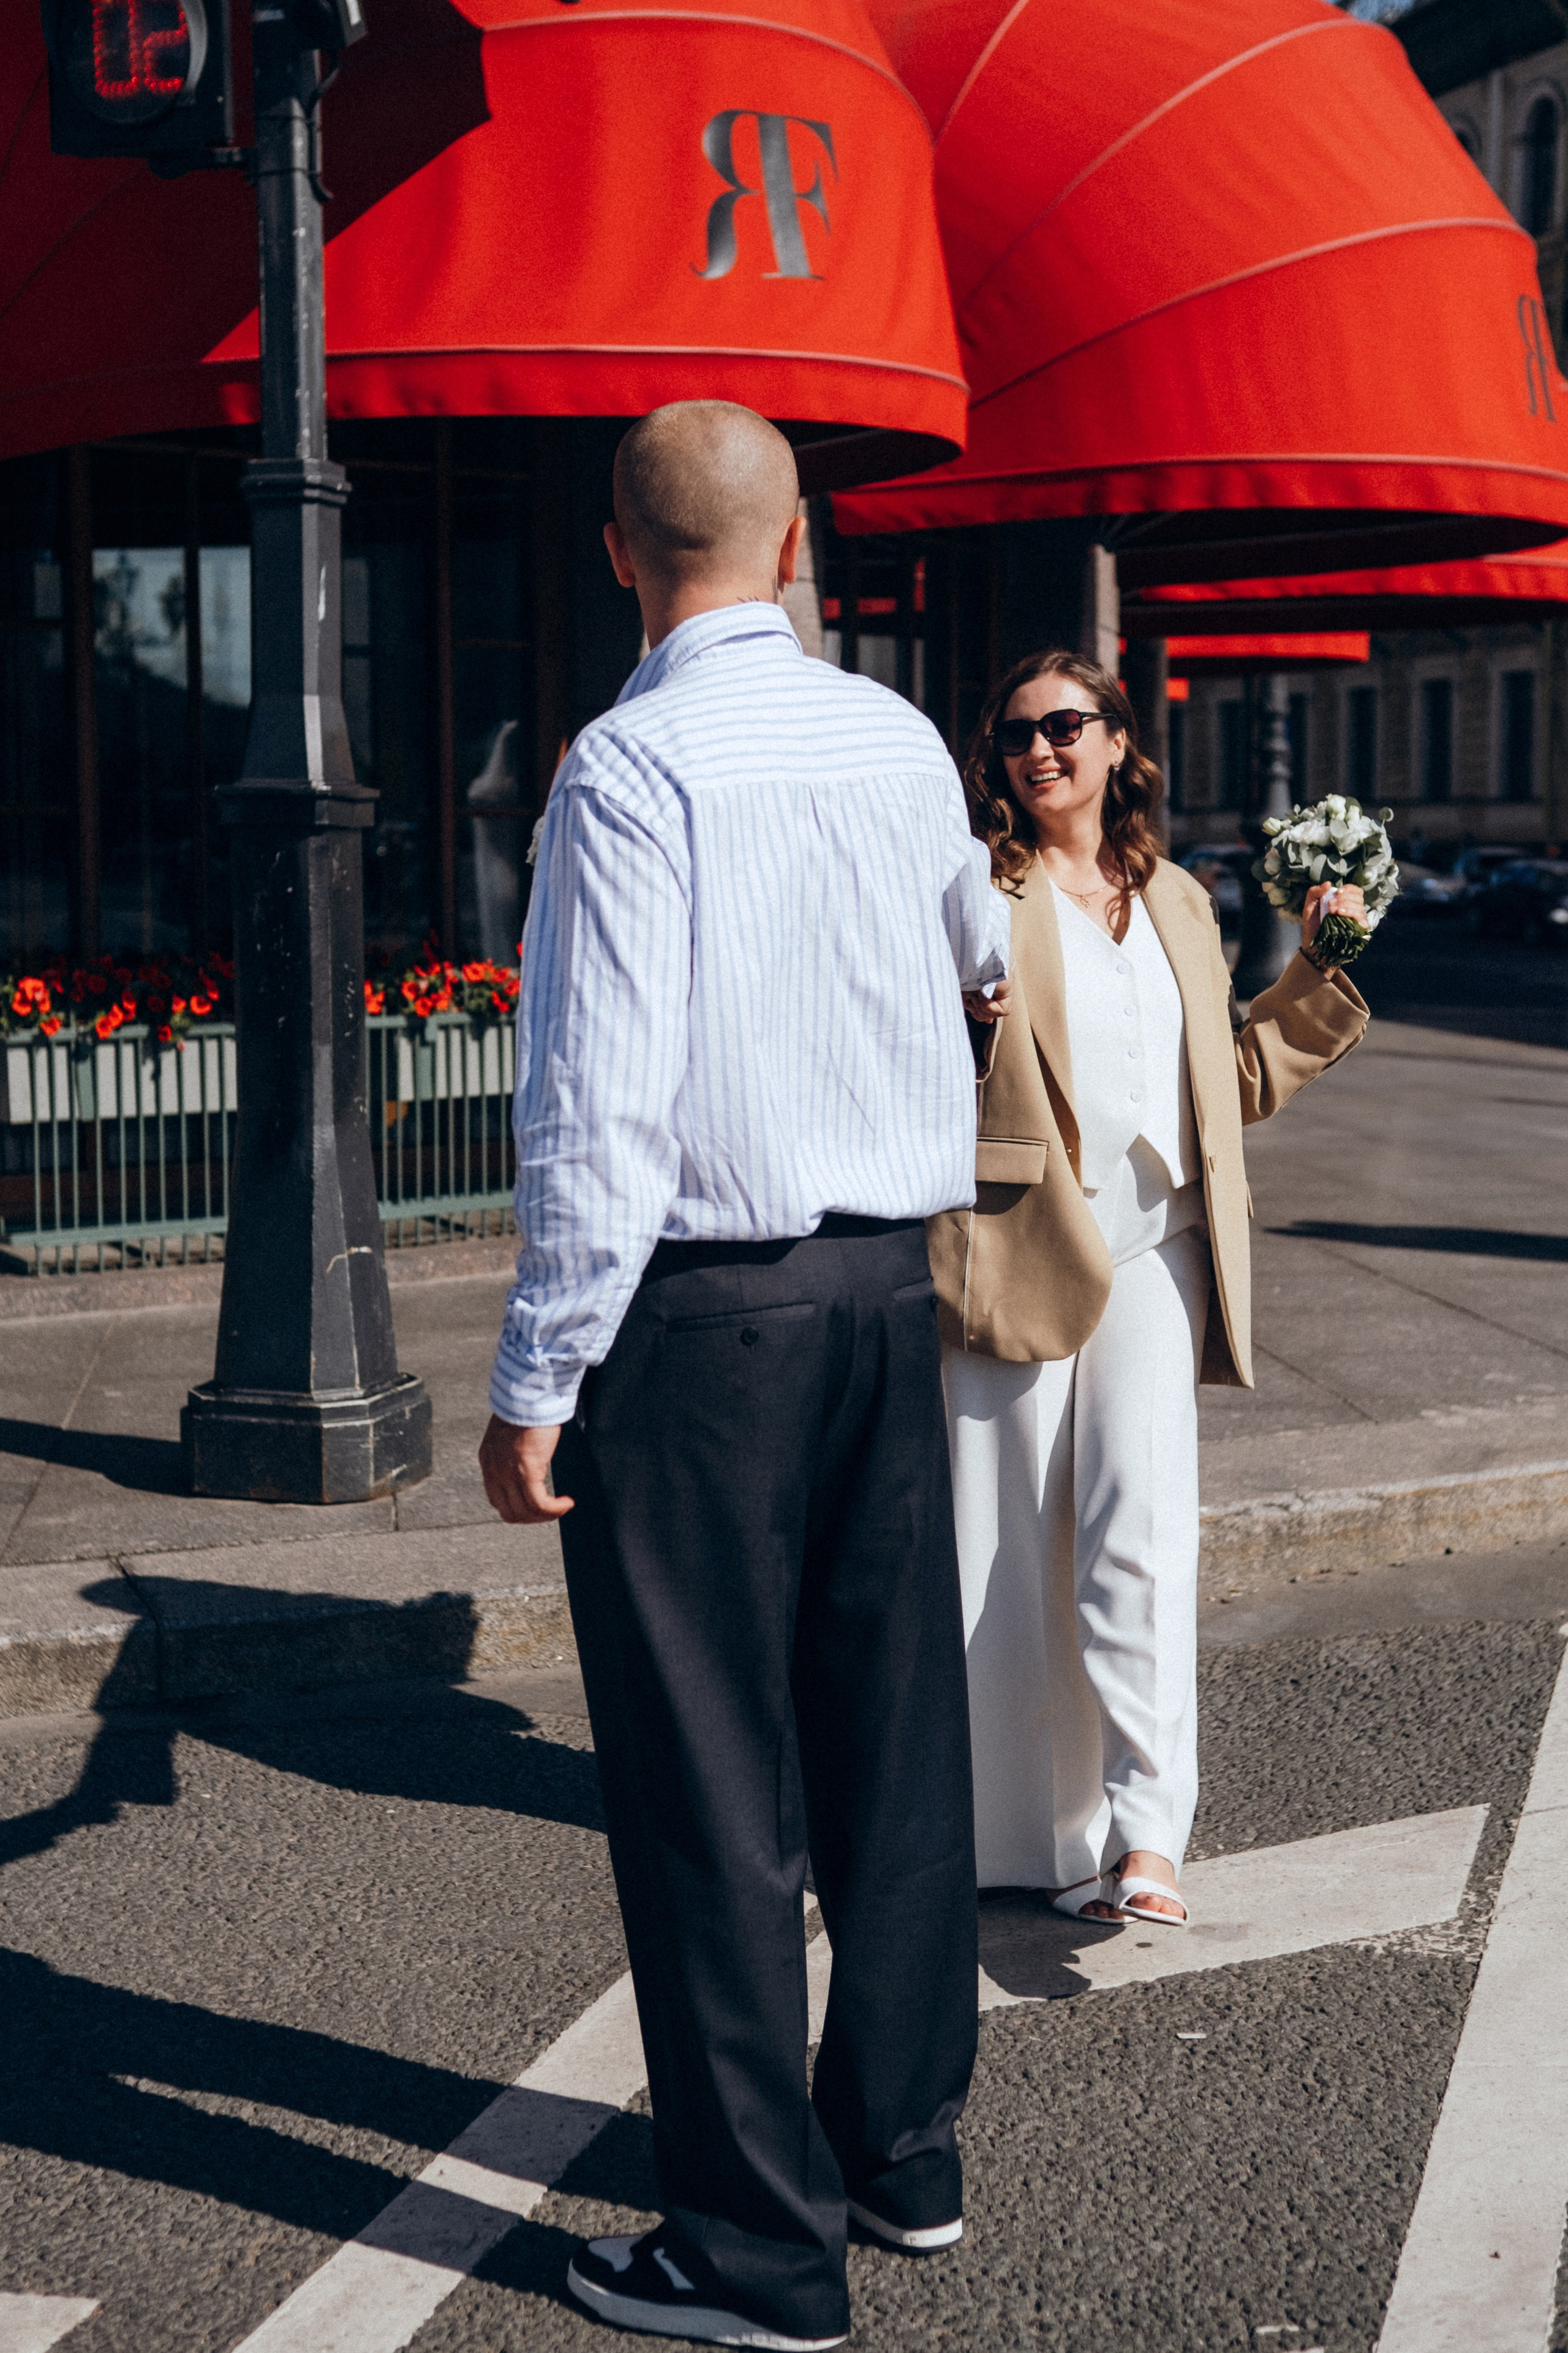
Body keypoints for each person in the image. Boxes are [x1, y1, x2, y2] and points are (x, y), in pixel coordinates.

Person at [478, 401, 1011, 2351]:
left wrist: (539, 1369)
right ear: (799, 545)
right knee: (894, 1738)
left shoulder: (627, 768)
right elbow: (986, 961)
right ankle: (903, 2157)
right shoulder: (888, 739)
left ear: (620, 554)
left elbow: (599, 1111)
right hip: (889, 1284)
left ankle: (755, 2255)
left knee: (712, 1788)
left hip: (703, 1318)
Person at [928, 651, 1368, 1928]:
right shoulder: (974, 885)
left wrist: (1313, 974)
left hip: (1157, 1247)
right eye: (1014, 733)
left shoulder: (1176, 897)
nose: (1038, 751)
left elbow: (1216, 1086)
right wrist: (958, 1024)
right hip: (1013, 1240)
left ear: (1119, 741)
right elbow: (904, 1049)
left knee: (1139, 1538)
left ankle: (1145, 1834)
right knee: (999, 1551)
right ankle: (1013, 1837)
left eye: (1065, 726)